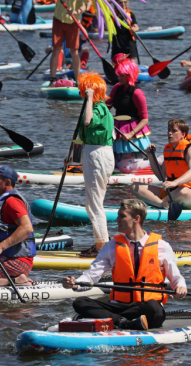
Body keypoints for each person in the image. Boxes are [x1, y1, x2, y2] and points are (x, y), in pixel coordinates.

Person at [63, 199, 187, 330]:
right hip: (119, 306)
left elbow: (176, 278)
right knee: (80, 302)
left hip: (146, 308)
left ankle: (109, 319)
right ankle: (122, 322)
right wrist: (76, 283)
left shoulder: (162, 247)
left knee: (154, 308)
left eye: (122, 216)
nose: (117, 219)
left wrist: (180, 286)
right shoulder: (111, 246)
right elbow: (90, 277)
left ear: (136, 219)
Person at [74, 72, 114, 257]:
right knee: (93, 203)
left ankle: (102, 247)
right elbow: (84, 137)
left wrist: (89, 98)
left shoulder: (97, 108)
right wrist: (72, 159)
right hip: (97, 153)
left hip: (97, 155)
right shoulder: (102, 108)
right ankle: (100, 242)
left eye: (84, 91)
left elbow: (88, 121)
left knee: (94, 204)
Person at [131, 119, 191, 211]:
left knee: (183, 191)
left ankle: (159, 203)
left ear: (183, 134)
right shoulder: (169, 150)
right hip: (170, 194)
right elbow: (161, 176)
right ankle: (161, 205)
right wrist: (151, 156)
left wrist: (175, 182)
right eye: (169, 130)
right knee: (135, 186)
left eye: (174, 131)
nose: (170, 133)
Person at [41, 0, 88, 86]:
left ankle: (78, 81)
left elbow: (85, 6)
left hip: (73, 22)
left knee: (74, 51)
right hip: (59, 20)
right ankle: (52, 79)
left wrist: (77, 11)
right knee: (56, 49)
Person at [106, 56, 152, 174]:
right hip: (117, 129)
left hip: (132, 131)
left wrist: (131, 133)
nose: (119, 77)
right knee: (114, 162)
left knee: (124, 166)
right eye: (119, 74)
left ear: (129, 75)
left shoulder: (137, 93)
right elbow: (107, 106)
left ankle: (158, 162)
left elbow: (144, 119)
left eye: (122, 75)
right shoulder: (117, 87)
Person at [110, 0, 140, 64]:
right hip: (117, 44)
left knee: (132, 63)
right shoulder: (113, 14)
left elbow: (136, 27)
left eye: (125, 2)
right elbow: (102, 13)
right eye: (120, 2)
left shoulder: (130, 14)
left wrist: (134, 29)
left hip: (129, 44)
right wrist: (108, 2)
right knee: (115, 65)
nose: (123, 4)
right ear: (117, 4)